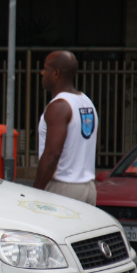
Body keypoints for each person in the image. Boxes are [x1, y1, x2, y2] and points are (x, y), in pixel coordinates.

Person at [34, 51, 99, 205]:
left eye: (45, 68)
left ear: (56, 73)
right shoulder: (87, 103)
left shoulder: (59, 106)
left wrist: (35, 191)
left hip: (63, 189)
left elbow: (52, 155)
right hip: (88, 187)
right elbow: (93, 147)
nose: (42, 73)